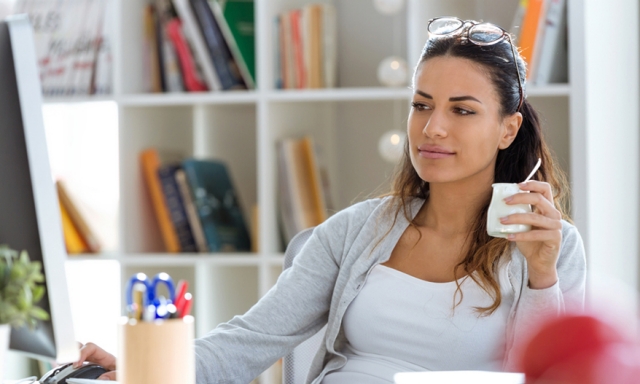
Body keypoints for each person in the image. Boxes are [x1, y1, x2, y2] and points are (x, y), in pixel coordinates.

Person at [75, 17, 586, 383]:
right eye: (421, 105)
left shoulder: (551, 247)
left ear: (508, 128)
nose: (432, 127)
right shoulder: (355, 231)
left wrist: (542, 277)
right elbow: (252, 339)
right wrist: (140, 368)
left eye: (463, 110)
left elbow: (552, 374)